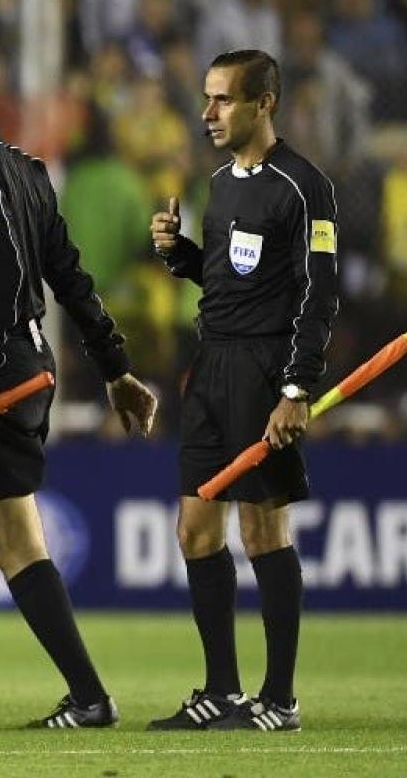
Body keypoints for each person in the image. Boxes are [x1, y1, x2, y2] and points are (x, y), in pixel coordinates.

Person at [0, 29, 158, 729]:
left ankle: (90, 698)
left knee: (13, 539)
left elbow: (5, 274)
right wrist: (116, 368)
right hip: (14, 363)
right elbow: (68, 276)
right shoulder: (26, 170)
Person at [148, 49, 337, 732]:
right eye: (207, 98)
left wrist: (296, 387)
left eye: (223, 99)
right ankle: (221, 691)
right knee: (195, 530)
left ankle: (279, 699)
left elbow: (318, 294)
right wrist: (181, 257)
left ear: (265, 103)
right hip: (211, 366)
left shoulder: (304, 187)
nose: (208, 113)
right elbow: (231, 278)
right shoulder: (219, 184)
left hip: (265, 371)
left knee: (262, 529)